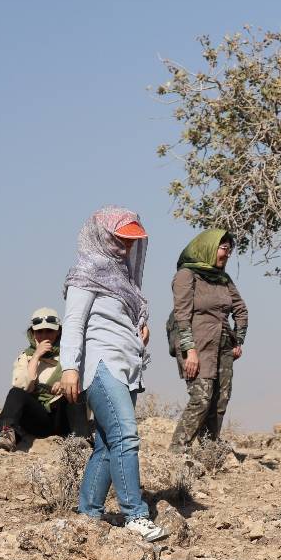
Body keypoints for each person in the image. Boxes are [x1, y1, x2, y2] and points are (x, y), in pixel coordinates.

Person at [61, 206, 168, 542]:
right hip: (101, 363)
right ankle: (135, 514)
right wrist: (69, 368)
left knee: (108, 444)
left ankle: (88, 515)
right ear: (103, 236)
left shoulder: (121, 277)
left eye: (132, 240)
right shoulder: (87, 271)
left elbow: (118, 317)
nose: (128, 245)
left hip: (126, 365)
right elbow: (74, 323)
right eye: (121, 238)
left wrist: (139, 327)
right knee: (126, 435)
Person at [167, 228, 249, 452]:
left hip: (223, 345)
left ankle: (208, 450)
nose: (227, 255)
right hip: (197, 345)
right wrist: (190, 351)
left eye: (230, 250)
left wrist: (238, 339)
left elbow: (241, 310)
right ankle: (177, 450)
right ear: (209, 248)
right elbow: (182, 315)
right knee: (201, 398)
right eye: (223, 249)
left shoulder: (223, 279)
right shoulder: (186, 275)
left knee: (220, 400)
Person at [0, 307, 90, 451]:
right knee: (15, 393)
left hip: (65, 418)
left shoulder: (71, 355)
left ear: (59, 331)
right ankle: (7, 434)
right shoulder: (25, 357)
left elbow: (86, 382)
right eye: (39, 331)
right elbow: (21, 386)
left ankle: (81, 438)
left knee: (75, 392)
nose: (44, 336)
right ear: (32, 333)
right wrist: (36, 356)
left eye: (49, 331)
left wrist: (65, 385)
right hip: (38, 419)